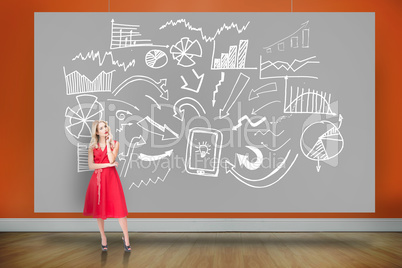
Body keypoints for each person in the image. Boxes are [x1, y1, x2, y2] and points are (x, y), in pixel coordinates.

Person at [83, 120, 131, 252]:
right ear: (97, 132)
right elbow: (91, 166)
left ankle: (126, 238)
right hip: (98, 181)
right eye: (101, 128)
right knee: (99, 211)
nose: (105, 129)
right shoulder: (92, 147)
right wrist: (108, 165)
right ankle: (103, 237)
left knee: (120, 210)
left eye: (105, 126)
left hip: (112, 180)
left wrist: (109, 145)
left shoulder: (115, 144)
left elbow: (111, 159)